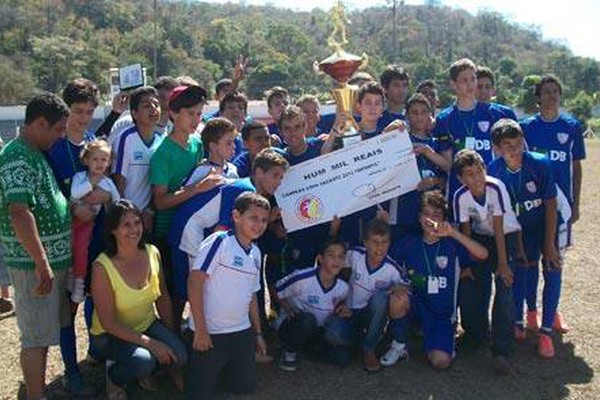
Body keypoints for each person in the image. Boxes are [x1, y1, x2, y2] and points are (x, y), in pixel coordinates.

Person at [0, 93, 71, 400]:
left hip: (44, 264)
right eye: (57, 129)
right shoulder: (17, 156)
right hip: (33, 267)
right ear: (40, 123)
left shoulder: (33, 151)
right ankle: (36, 396)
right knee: (35, 337)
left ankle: (36, 391)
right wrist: (42, 263)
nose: (61, 135)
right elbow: (19, 213)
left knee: (41, 334)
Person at [45, 78, 112, 397]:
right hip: (66, 237)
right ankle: (71, 370)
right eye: (77, 111)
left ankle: (96, 353)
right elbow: (45, 194)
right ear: (65, 108)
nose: (83, 117)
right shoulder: (53, 145)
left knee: (96, 296)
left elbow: (108, 186)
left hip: (97, 235)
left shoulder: (93, 143)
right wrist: (73, 211)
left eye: (89, 111)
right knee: (69, 304)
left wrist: (106, 198)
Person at [168, 149, 288, 321]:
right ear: (259, 172)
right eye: (276, 176)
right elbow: (223, 228)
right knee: (188, 286)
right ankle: (183, 332)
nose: (279, 182)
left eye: (281, 177)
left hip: (196, 230)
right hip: (187, 231)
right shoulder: (244, 189)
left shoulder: (250, 190)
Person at [90, 200, 187, 399]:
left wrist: (173, 337)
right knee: (144, 361)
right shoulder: (102, 267)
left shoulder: (152, 252)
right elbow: (108, 323)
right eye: (126, 225)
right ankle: (114, 376)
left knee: (181, 355)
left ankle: (153, 367)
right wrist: (152, 344)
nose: (134, 229)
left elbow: (163, 299)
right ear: (113, 230)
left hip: (146, 324)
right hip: (108, 336)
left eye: (137, 222)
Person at [488, 119, 564, 358]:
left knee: (552, 267)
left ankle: (546, 333)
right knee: (522, 268)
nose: (515, 149)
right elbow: (507, 213)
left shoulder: (539, 164)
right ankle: (521, 320)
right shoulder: (493, 171)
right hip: (520, 230)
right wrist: (519, 245)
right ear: (497, 148)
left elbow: (551, 205)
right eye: (508, 145)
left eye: (519, 143)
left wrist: (550, 244)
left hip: (547, 226)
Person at [390, 191, 488, 369]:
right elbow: (387, 269)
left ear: (443, 218)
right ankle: (399, 343)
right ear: (419, 217)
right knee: (398, 298)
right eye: (426, 214)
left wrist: (454, 233)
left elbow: (483, 254)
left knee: (440, 362)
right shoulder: (408, 243)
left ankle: (433, 341)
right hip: (416, 306)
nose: (430, 219)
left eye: (436, 215)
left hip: (441, 316)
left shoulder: (452, 245)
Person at [185, 192, 270, 399]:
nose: (259, 224)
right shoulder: (220, 242)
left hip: (240, 331)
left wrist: (257, 334)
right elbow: (195, 282)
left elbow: (252, 296)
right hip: (210, 332)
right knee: (200, 393)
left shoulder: (256, 253)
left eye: (264, 220)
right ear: (236, 216)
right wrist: (201, 330)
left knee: (244, 387)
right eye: (253, 218)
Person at [520, 74, 586, 334]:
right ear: (538, 98)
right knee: (530, 262)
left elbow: (576, 166)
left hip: (560, 209)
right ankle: (532, 312)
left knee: (554, 263)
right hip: (532, 207)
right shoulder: (527, 127)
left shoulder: (571, 127)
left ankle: (552, 311)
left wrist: (576, 204)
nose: (550, 96)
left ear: (560, 95)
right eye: (546, 91)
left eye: (555, 91)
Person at [452, 149, 521, 375]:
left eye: (480, 171)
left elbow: (500, 228)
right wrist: (467, 264)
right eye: (470, 174)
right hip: (480, 240)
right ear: (461, 179)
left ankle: (501, 350)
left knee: (504, 286)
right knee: (473, 284)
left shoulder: (496, 187)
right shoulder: (460, 196)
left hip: (505, 238)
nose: (477, 178)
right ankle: (477, 335)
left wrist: (502, 264)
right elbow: (466, 231)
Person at [432, 58, 516, 196]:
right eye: (464, 80)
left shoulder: (494, 114)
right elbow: (447, 164)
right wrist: (427, 152)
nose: (470, 84)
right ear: (453, 84)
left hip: (490, 189)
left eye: (473, 79)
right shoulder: (444, 119)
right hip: (460, 191)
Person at [275, 237, 353, 372]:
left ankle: (307, 348)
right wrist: (286, 307)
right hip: (295, 324)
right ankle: (289, 352)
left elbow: (340, 304)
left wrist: (343, 309)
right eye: (331, 255)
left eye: (341, 256)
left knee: (343, 359)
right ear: (320, 259)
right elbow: (276, 290)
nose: (337, 260)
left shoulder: (343, 288)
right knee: (306, 320)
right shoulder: (302, 278)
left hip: (317, 330)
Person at [345, 218, 410, 372]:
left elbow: (406, 286)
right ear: (365, 243)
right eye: (374, 242)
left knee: (381, 298)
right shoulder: (354, 255)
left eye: (384, 242)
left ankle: (369, 348)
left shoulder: (392, 268)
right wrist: (340, 301)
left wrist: (397, 289)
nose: (379, 247)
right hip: (349, 312)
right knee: (333, 333)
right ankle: (361, 341)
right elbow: (337, 272)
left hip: (371, 315)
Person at [389, 93, 451, 237]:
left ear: (430, 114)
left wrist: (428, 154)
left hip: (431, 210)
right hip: (402, 210)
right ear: (407, 115)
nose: (419, 117)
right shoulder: (399, 138)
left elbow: (447, 168)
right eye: (415, 113)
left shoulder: (437, 141)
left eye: (423, 112)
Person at [70, 140, 120, 304]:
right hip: (76, 221)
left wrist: (108, 197)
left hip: (95, 223)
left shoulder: (108, 183)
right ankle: (76, 279)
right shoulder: (80, 177)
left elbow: (117, 203)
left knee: (90, 250)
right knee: (75, 248)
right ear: (86, 160)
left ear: (109, 162)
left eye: (104, 160)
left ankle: (86, 284)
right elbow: (76, 193)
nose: (99, 164)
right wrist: (92, 182)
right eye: (95, 159)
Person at [112, 86, 163, 231]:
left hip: (148, 217)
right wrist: (126, 215)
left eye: (156, 105)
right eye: (146, 105)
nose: (153, 109)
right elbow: (118, 180)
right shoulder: (126, 138)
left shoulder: (161, 141)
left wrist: (149, 211)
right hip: (127, 217)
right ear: (134, 113)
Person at [185, 117, 239, 185]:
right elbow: (186, 191)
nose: (234, 146)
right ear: (213, 146)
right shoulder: (202, 171)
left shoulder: (233, 169)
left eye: (233, 142)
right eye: (229, 143)